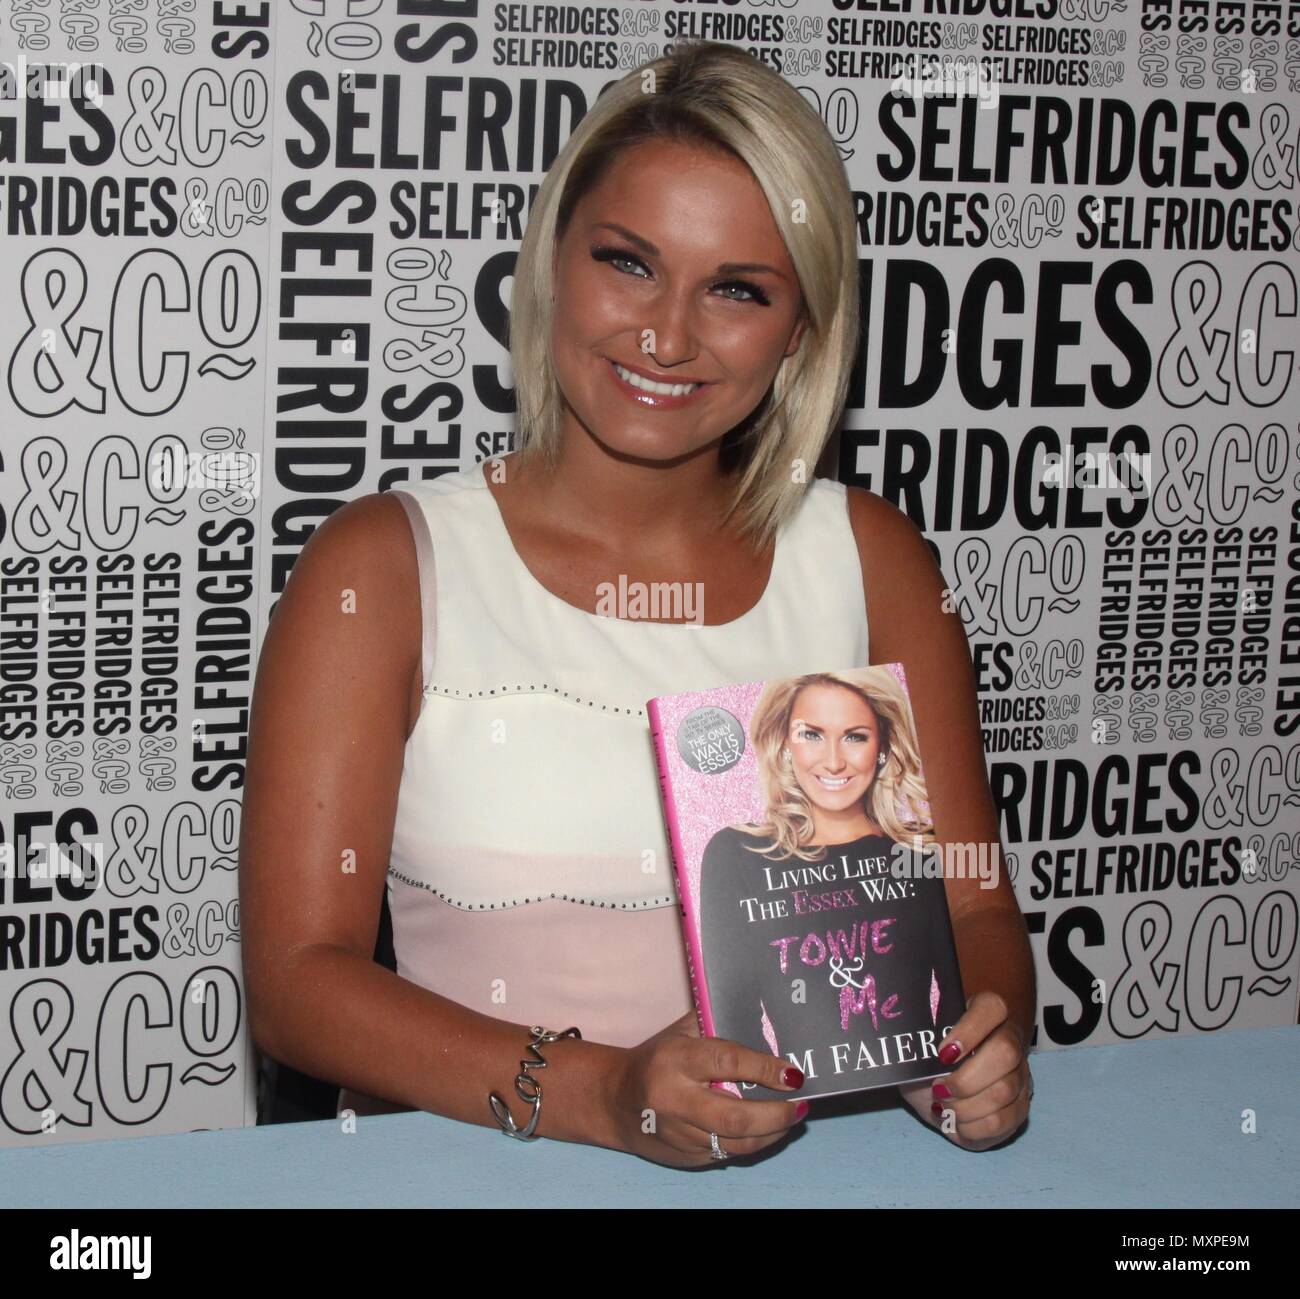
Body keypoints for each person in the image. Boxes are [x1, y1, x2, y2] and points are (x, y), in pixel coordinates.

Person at [239, 40, 1035, 1169]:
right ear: (553, 263)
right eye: (628, 263)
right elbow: (297, 987)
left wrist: (972, 1043)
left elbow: (971, 913)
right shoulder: (382, 569)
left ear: (802, 328)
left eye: (738, 291)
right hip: (476, 1173)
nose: (667, 337)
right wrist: (608, 1095)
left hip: (832, 1171)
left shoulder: (873, 559)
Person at [698, 669, 966, 1097]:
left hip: (917, 1105)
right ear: (784, 742)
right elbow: (734, 1017)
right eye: (811, 734)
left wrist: (945, 1093)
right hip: (787, 1115)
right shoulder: (737, 856)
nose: (834, 761)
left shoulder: (918, 856)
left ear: (882, 747)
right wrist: (772, 1107)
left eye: (855, 736)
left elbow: (956, 1001)